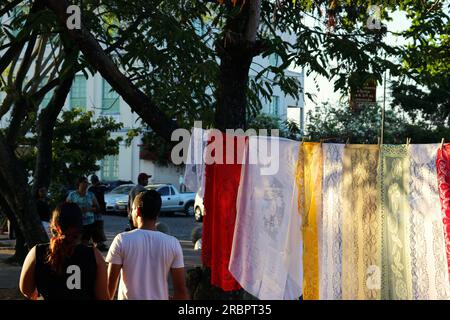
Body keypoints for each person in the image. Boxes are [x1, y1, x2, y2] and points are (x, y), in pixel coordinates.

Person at [106, 190, 189, 300]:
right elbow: (181, 291)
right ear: (158, 213)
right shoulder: (173, 243)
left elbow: (108, 288)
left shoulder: (122, 240)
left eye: (132, 210)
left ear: (138, 211)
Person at [19, 202, 109, 300]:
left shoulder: (37, 252)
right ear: (80, 226)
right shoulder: (94, 255)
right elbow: (103, 296)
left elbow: (26, 290)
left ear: (54, 225)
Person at [66, 177, 100, 246]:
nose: (86, 184)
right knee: (75, 242)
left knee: (85, 243)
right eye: (84, 182)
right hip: (76, 223)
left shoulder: (91, 195)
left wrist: (89, 209)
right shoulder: (72, 195)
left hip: (89, 223)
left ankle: (83, 255)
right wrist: (76, 209)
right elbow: (66, 208)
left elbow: (98, 208)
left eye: (87, 182)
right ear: (79, 183)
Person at [88, 175, 108, 252]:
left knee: (98, 226)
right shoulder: (92, 189)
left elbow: (106, 187)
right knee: (96, 227)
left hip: (97, 210)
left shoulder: (98, 188)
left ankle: (99, 243)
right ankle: (98, 243)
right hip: (94, 210)